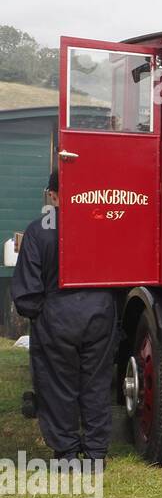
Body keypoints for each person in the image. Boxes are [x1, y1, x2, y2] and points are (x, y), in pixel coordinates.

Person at [10, 171, 117, 462]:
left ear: (53, 194)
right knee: (96, 382)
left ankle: (67, 452)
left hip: (56, 314)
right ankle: (96, 453)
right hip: (100, 310)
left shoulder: (37, 231)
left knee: (57, 384)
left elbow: (27, 292)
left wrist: (39, 314)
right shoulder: (104, 225)